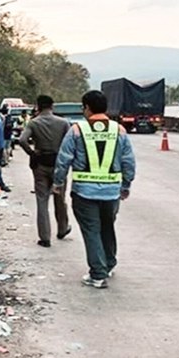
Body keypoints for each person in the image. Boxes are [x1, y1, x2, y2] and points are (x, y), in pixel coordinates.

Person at [53, 90, 136, 288]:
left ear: (87, 108)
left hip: (84, 192)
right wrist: (126, 185)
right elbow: (128, 162)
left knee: (91, 230)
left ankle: (98, 274)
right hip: (111, 192)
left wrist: (58, 182)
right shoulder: (119, 130)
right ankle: (108, 264)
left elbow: (64, 159)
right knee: (107, 227)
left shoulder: (76, 130)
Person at [19, 95, 72, 247]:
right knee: (60, 198)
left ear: (38, 106)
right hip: (58, 165)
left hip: (40, 165)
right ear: (52, 106)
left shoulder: (34, 123)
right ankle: (62, 228)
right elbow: (70, 144)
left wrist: (32, 153)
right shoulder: (63, 123)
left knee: (42, 201)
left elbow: (22, 140)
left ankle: (45, 237)